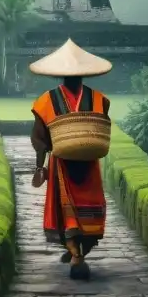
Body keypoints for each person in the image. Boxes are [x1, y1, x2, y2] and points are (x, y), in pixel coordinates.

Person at [29, 38, 112, 281]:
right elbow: (102, 130)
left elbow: (39, 137)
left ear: (59, 76)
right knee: (88, 208)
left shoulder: (46, 100)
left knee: (68, 210)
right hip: (87, 164)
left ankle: (75, 252)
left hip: (63, 163)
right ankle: (77, 254)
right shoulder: (100, 99)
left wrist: (39, 165)